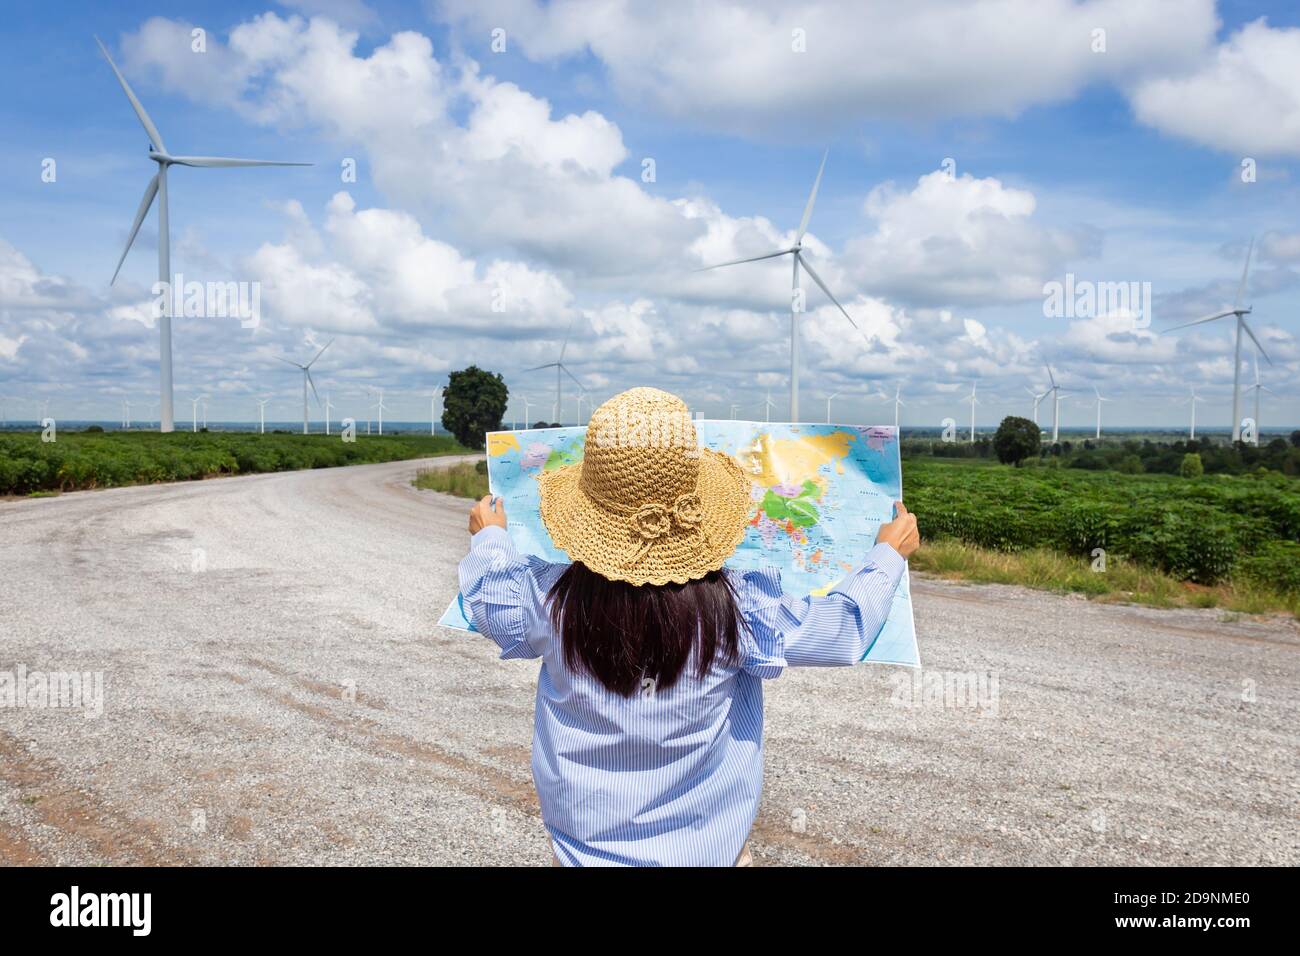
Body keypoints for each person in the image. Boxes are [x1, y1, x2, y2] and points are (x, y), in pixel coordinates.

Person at [458, 387, 919, 866]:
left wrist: (491, 537)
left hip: (580, 855)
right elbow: (844, 629)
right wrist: (886, 556)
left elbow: (494, 603)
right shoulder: (741, 609)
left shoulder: (551, 599)